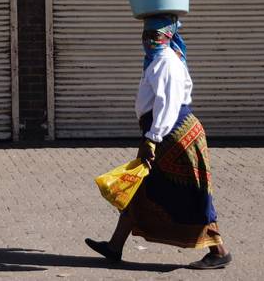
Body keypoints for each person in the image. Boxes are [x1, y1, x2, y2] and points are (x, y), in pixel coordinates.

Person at [85, 14, 233, 270]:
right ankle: (114, 246)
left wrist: (152, 139)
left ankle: (219, 251)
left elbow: (168, 105)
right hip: (163, 133)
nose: (149, 40)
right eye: (145, 35)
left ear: (167, 37)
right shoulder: (156, 61)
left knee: (192, 194)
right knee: (141, 189)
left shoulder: (166, 63)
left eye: (155, 35)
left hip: (173, 136)